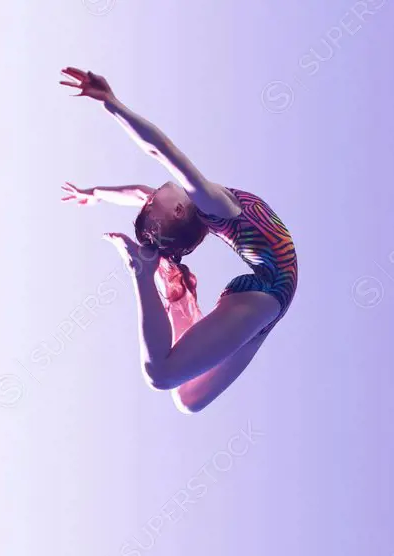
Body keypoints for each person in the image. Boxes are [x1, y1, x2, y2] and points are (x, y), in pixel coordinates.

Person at [60, 67, 298, 413]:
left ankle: (141, 271)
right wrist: (112, 103)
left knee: (177, 390)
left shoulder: (213, 208)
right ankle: (142, 269)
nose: (153, 192)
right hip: (270, 292)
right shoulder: (211, 203)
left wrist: (95, 193)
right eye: (156, 200)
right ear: (174, 214)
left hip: (269, 296)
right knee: (178, 391)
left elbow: (138, 192)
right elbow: (161, 150)